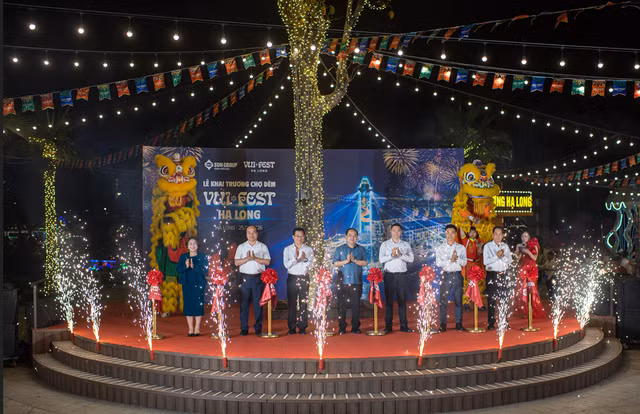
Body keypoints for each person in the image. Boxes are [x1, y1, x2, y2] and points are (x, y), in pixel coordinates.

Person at [234, 225, 271, 336]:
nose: (251, 235)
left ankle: (258, 328)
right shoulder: (241, 247)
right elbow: (236, 262)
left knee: (258, 304)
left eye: (253, 232)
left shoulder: (262, 246)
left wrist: (255, 259)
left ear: (257, 233)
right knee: (244, 304)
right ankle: (244, 328)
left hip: (258, 278)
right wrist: (247, 259)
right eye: (249, 232)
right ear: (246, 234)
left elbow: (267, 262)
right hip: (244, 278)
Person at [379, 223, 415, 333]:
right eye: (394, 230)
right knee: (389, 301)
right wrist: (392, 255)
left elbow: (411, 259)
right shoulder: (385, 244)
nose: (396, 232)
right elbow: (381, 259)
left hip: (402, 275)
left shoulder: (405, 244)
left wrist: (400, 255)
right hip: (389, 275)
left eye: (398, 230)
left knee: (402, 301)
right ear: (390, 231)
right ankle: (388, 326)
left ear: (401, 232)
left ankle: (404, 326)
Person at [333, 228, 368, 334]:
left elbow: (365, 263)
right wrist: (346, 261)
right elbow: (335, 263)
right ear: (346, 237)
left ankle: (355, 327)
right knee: (341, 305)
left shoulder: (361, 249)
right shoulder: (339, 249)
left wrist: (354, 260)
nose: (352, 237)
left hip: (356, 281)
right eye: (350, 235)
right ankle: (342, 327)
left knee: (356, 305)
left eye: (354, 235)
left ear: (357, 237)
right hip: (342, 282)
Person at [435, 224, 467, 332]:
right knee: (443, 301)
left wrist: (456, 258)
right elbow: (438, 263)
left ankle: (458, 323)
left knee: (458, 300)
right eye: (447, 232)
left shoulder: (461, 248)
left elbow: (464, 262)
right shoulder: (440, 248)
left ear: (455, 234)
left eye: (452, 232)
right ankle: (443, 324)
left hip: (457, 275)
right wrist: (450, 260)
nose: (450, 235)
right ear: (445, 234)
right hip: (446, 275)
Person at [283, 227, 314, 335]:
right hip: (292, 278)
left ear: (304, 237)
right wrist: (296, 259)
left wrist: (304, 260)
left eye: (301, 236)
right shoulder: (287, 249)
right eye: (297, 236)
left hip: (304, 278)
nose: (299, 238)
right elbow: (287, 265)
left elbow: (311, 265)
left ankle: (302, 327)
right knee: (292, 303)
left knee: (303, 303)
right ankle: (291, 328)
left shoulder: (308, 249)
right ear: (293, 237)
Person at [176, 237, 208, 336]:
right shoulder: (183, 256)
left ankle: (197, 328)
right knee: (188, 305)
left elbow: (205, 270)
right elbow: (178, 269)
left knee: (198, 305)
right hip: (187, 284)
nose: (192, 245)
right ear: (187, 246)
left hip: (199, 284)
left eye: (194, 243)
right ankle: (190, 328)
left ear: (198, 245)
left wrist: (194, 266)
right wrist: (186, 266)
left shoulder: (202, 256)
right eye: (190, 243)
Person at [483, 226, 513, 330]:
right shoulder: (487, 246)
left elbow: (509, 261)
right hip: (492, 274)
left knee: (504, 299)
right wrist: (497, 256)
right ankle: (491, 323)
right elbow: (485, 261)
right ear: (492, 235)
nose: (498, 236)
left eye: (500, 234)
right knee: (491, 299)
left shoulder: (505, 246)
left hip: (503, 274)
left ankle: (504, 321)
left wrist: (502, 256)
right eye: (496, 234)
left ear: (503, 235)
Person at [514, 232, 546, 318]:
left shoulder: (534, 245)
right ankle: (524, 311)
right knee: (522, 289)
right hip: (522, 269)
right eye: (522, 236)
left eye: (526, 236)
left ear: (529, 237)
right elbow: (517, 259)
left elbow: (535, 258)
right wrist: (520, 252)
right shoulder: (519, 245)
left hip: (531, 269)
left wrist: (527, 251)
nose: (524, 237)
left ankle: (532, 310)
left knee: (531, 289)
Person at [460, 226, 484, 309]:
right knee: (468, 283)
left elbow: (483, 230)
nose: (472, 234)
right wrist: (460, 222)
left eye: (474, 232)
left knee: (479, 284)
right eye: (471, 232)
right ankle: (466, 302)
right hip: (469, 265)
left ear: (477, 233)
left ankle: (479, 303)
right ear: (468, 233)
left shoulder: (479, 240)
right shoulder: (466, 241)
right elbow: (461, 232)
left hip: (478, 264)